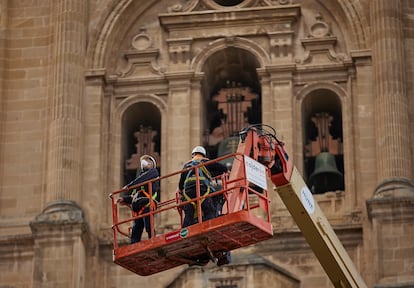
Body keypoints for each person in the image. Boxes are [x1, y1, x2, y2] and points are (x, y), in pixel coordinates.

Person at [178, 146, 227, 228]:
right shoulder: (205, 161)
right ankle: (209, 228)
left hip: (188, 193)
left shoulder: (186, 166)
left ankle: (184, 232)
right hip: (202, 190)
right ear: (203, 155)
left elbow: (180, 185)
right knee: (210, 210)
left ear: (193, 155)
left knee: (189, 214)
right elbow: (222, 168)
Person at [118, 155, 160, 244]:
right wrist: (124, 199)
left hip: (148, 205)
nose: (146, 163)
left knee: (149, 227)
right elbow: (134, 196)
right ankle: (133, 245)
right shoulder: (140, 179)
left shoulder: (153, 173)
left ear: (153, 164)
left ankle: (153, 242)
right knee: (136, 230)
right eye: (145, 161)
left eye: (148, 161)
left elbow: (142, 179)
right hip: (139, 208)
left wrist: (129, 186)